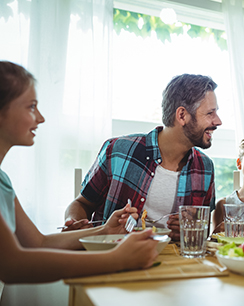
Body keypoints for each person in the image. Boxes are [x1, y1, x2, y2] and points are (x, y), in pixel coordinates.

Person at [0, 61, 159, 284]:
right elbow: (12, 266)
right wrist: (117, 259)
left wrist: (104, 231)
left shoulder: (2, 181)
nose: (41, 118)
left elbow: (37, 243)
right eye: (31, 106)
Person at [64, 74, 222, 241]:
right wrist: (74, 224)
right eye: (210, 113)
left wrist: (192, 229)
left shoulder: (205, 167)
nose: (218, 121)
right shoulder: (117, 151)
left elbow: (203, 230)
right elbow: (82, 204)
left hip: (175, 263)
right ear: (182, 115)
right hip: (113, 258)